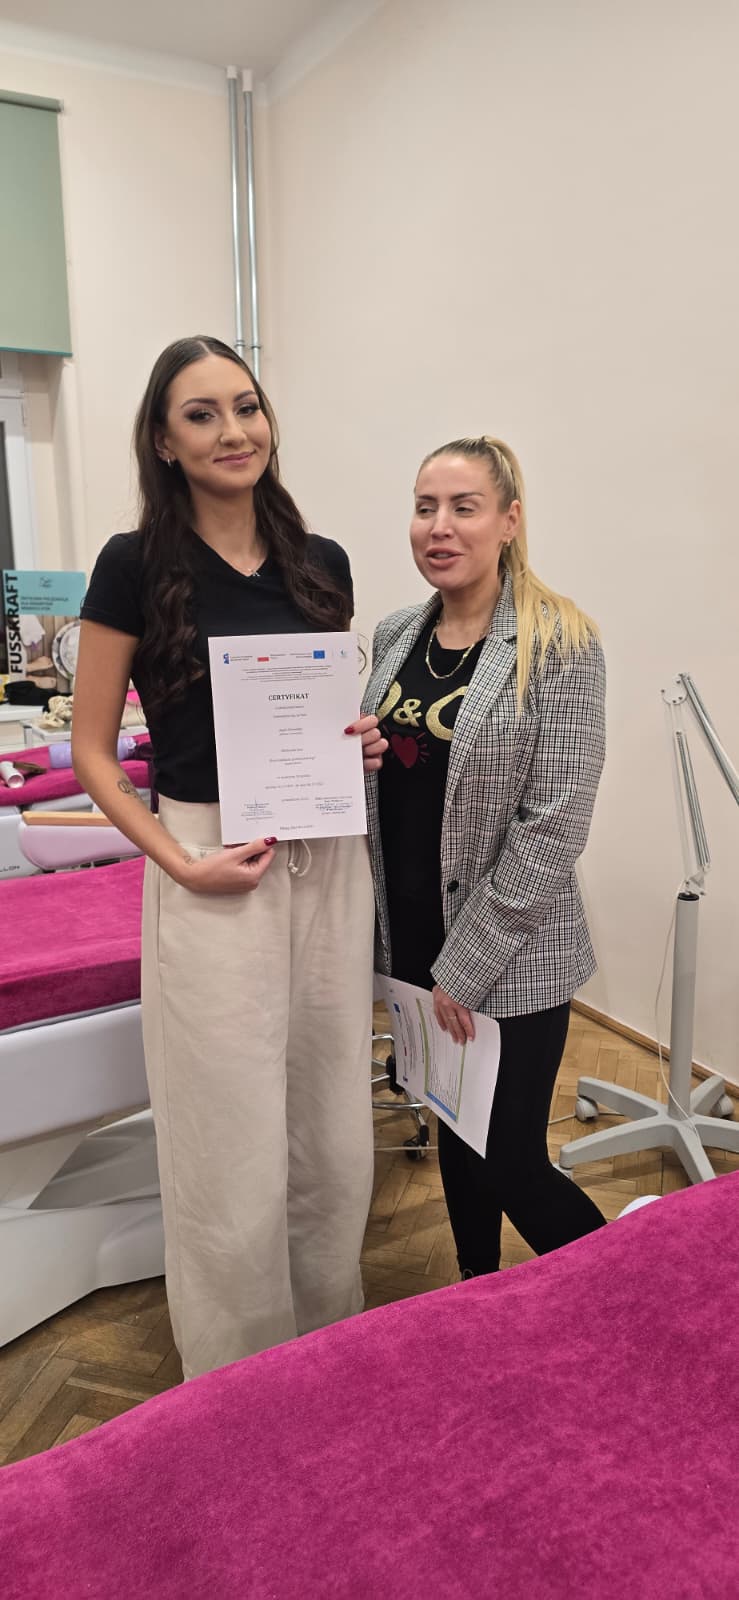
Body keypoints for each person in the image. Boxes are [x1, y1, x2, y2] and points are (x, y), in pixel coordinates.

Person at [73, 335, 381, 1378]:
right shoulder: (131, 565)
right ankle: (238, 1374)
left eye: (245, 406)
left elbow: (326, 712)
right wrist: (177, 860)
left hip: (326, 858)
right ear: (164, 441)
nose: (233, 430)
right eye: (201, 414)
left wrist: (355, 742)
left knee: (331, 1120)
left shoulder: (322, 561)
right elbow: (91, 749)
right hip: (207, 862)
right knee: (227, 1129)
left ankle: (327, 1341)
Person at [358, 435, 607, 1276]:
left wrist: (462, 969)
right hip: (411, 939)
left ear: (508, 520)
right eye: (424, 507)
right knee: (455, 1135)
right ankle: (475, 1295)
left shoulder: (558, 641)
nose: (439, 526)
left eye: (463, 507)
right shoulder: (396, 634)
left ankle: (629, 1296)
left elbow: (554, 824)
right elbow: (398, 778)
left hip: (509, 955)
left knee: (509, 1160)